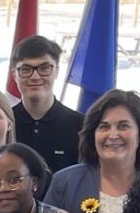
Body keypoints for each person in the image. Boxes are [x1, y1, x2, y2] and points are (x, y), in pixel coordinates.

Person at [43, 88, 140, 213]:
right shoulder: (64, 183)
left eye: (123, 126)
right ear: (93, 135)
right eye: (104, 127)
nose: (113, 135)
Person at [7, 35, 84, 175]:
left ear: (57, 71)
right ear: (14, 74)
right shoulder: (4, 124)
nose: (35, 77)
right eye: (25, 69)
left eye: (44, 68)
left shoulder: (80, 126)